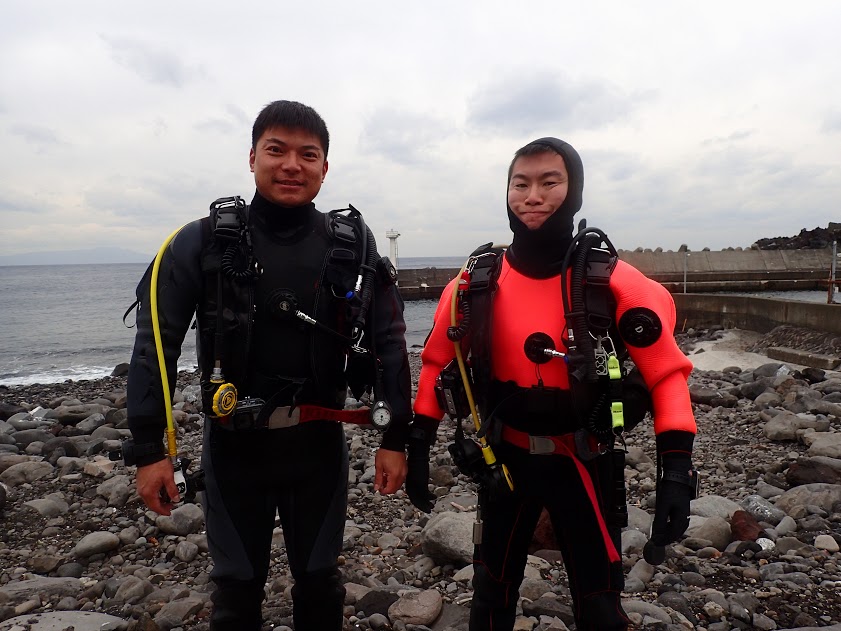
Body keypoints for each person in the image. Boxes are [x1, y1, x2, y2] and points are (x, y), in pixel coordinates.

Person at [126, 100, 413, 631]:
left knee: (321, 583)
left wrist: (395, 437)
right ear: (252, 157)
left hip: (318, 448)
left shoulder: (352, 246)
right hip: (234, 449)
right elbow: (154, 347)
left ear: (324, 167)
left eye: (308, 155)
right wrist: (149, 451)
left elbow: (390, 342)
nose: (291, 165)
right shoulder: (202, 241)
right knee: (235, 590)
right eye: (276, 150)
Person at [406, 137, 698, 630]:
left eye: (550, 182)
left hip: (584, 462)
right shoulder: (475, 283)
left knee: (600, 604)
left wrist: (676, 475)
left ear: (575, 191)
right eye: (520, 184)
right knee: (490, 595)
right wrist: (417, 446)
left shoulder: (614, 282)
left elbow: (667, 375)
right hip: (506, 461)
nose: (533, 196)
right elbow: (436, 363)